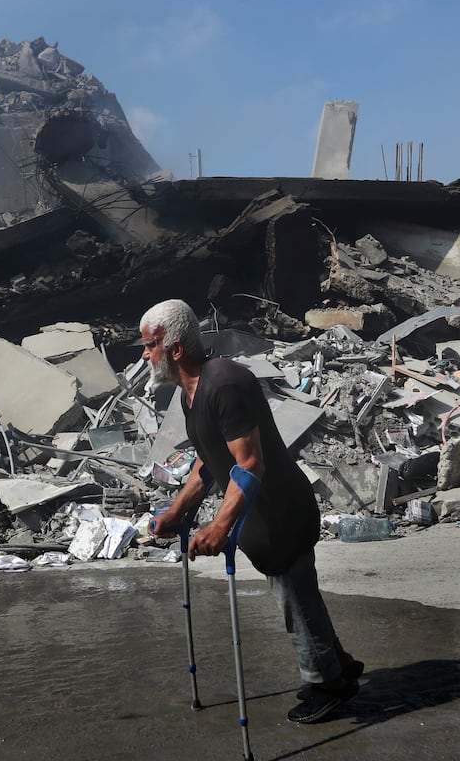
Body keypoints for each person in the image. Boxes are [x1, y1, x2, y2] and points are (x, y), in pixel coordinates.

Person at [139, 299, 363, 724]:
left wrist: (220, 525)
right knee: (299, 595)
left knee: (294, 600)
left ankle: (328, 683)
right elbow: (210, 460)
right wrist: (177, 512)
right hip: (262, 518)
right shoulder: (192, 394)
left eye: (149, 345)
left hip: (281, 515)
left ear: (175, 348)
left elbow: (249, 463)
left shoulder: (224, 384)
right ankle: (339, 664)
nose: (144, 355)